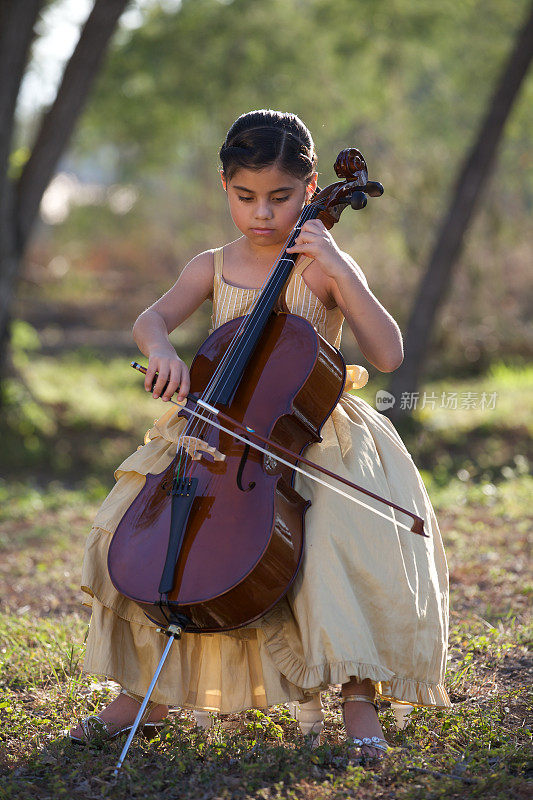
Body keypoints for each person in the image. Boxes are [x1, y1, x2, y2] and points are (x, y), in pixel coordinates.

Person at [70, 109, 450, 761]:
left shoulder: (322, 264)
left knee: (342, 549)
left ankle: (357, 699)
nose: (262, 216)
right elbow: (151, 319)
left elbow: (386, 353)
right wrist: (160, 350)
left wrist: (338, 264)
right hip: (220, 429)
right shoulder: (212, 265)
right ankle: (145, 694)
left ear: (309, 193)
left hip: (313, 429)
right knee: (143, 533)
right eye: (245, 198)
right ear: (225, 187)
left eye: (279, 199)